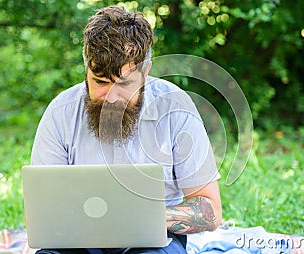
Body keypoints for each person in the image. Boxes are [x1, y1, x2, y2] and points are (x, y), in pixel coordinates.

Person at [30, 5, 222, 254]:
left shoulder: (176, 108)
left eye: (125, 84)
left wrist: (143, 217)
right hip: (77, 241)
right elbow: (43, 208)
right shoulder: (61, 112)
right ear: (86, 68)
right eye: (100, 82)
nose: (111, 97)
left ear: (146, 71)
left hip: (152, 241)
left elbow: (211, 211)